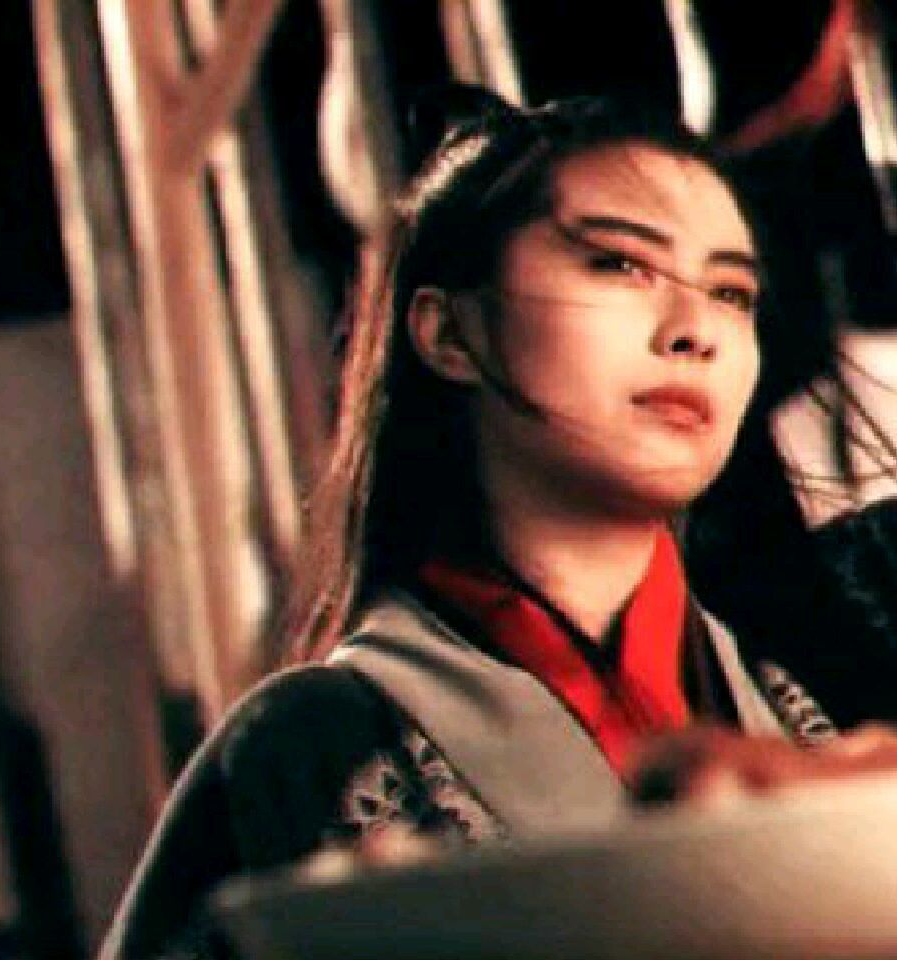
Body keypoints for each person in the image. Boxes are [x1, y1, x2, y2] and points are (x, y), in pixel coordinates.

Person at [98, 86, 897, 960]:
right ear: (450, 333)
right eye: (618, 264)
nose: (694, 330)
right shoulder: (313, 742)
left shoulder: (837, 648)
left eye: (730, 291)